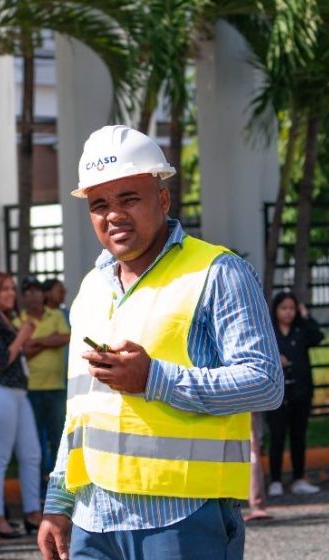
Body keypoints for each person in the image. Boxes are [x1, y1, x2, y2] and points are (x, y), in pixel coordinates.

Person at [38, 126, 282, 560]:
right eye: (99, 205)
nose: (113, 215)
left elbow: (264, 382)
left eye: (129, 198)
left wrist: (155, 378)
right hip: (94, 523)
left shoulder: (218, 272)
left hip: (182, 519)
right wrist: (59, 502)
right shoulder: (93, 288)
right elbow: (81, 408)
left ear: (163, 200)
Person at [0, 272, 42, 538]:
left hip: (16, 392)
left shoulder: (6, 319)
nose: (10, 294)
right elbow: (0, 361)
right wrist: (23, 335)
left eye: (11, 289)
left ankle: (32, 511)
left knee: (32, 454)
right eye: (4, 290)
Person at [266, 292, 323, 496]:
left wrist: (306, 316)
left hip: (300, 390)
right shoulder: (269, 331)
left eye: (292, 308)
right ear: (276, 310)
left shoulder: (301, 329)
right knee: (277, 436)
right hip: (277, 393)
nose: (288, 313)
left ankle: (299, 477)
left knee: (298, 436)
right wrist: (275, 359)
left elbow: (318, 337)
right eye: (284, 308)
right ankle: (275, 480)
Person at [16, 277, 70, 487]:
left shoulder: (55, 315)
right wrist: (49, 340)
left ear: (43, 294)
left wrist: (35, 341)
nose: (32, 295)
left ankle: (59, 487)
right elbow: (22, 353)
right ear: (22, 297)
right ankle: (39, 488)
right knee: (35, 442)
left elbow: (65, 338)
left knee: (58, 440)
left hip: (56, 387)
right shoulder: (18, 320)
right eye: (27, 292)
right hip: (31, 390)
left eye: (36, 291)